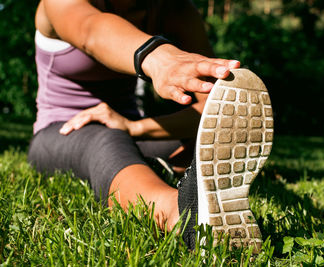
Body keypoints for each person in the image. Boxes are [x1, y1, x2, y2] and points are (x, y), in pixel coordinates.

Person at [28, 0, 273, 251]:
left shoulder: (177, 11)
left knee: (209, 135)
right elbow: (90, 29)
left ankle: (162, 167)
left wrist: (134, 128)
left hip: (128, 126)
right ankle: (181, 216)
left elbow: (209, 109)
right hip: (61, 128)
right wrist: (157, 57)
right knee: (105, 139)